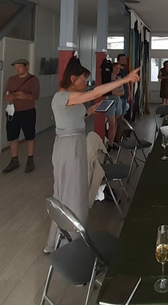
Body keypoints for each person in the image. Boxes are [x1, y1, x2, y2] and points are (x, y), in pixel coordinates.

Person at [45, 57, 140, 252]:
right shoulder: (64, 96)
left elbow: (73, 117)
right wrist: (125, 79)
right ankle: (70, 243)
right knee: (72, 192)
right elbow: (96, 92)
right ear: (72, 78)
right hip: (70, 146)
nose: (85, 84)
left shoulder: (70, 98)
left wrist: (89, 111)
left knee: (67, 191)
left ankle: (59, 240)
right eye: (83, 80)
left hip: (72, 143)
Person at [2, 59, 40, 174]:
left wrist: (14, 95)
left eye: (19, 66)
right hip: (13, 112)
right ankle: (14, 160)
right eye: (15, 67)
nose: (17, 69)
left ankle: (30, 160)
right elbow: (6, 96)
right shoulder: (11, 80)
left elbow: (34, 96)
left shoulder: (33, 80)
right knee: (12, 136)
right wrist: (20, 94)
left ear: (26, 66)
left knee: (30, 136)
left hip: (27, 111)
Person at [105, 62, 125, 149]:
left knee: (116, 123)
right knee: (112, 124)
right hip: (110, 101)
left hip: (118, 101)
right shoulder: (108, 78)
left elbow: (122, 92)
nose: (117, 70)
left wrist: (115, 92)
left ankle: (112, 142)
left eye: (119, 68)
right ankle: (109, 144)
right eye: (116, 68)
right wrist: (115, 92)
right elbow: (110, 92)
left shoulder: (119, 78)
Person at [117, 53, 131, 118]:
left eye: (125, 59)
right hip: (118, 96)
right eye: (122, 59)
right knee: (118, 113)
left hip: (125, 95)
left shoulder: (126, 71)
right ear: (118, 61)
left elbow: (128, 84)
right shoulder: (117, 71)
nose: (124, 61)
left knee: (123, 113)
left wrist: (129, 94)